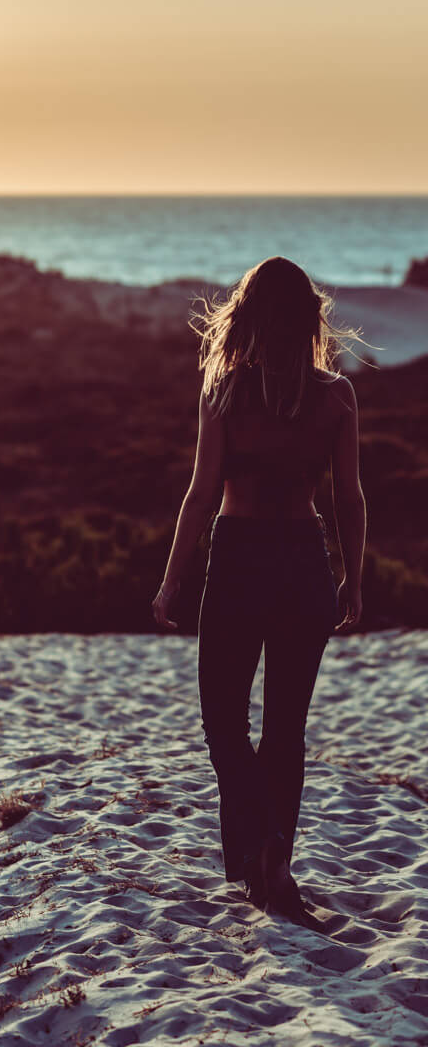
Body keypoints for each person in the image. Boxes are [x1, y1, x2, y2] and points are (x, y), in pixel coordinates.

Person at [151, 256, 366, 927]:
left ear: (245, 315)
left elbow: (201, 492)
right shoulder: (336, 396)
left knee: (223, 723)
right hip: (304, 563)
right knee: (285, 733)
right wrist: (352, 579)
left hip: (240, 559)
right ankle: (271, 865)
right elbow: (349, 497)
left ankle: (262, 849)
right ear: (308, 319)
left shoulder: (223, 391)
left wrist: (172, 577)